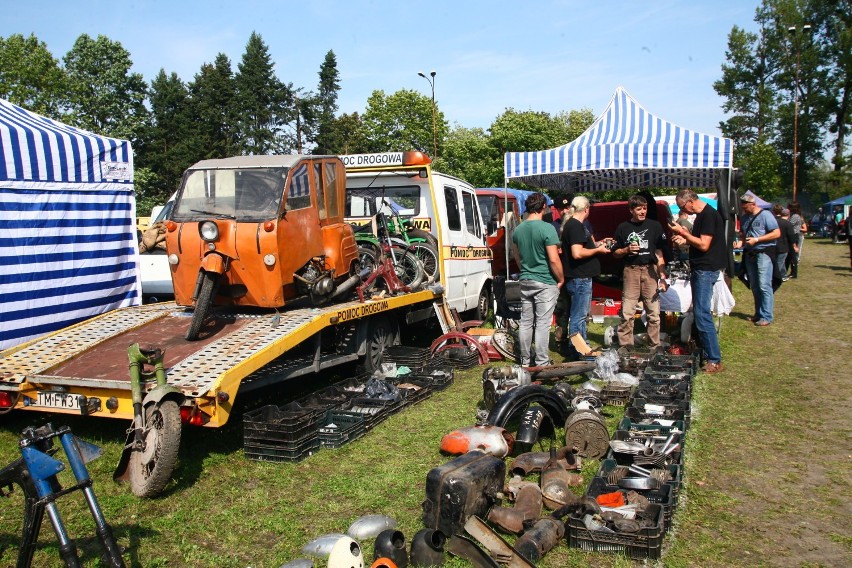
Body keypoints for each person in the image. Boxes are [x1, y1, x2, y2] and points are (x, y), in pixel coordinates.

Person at [670, 189, 727, 374]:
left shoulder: (708, 215)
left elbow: (704, 244)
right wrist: (686, 236)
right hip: (702, 268)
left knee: (702, 315)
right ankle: (709, 354)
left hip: (705, 269)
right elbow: (699, 243)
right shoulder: (704, 215)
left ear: (690, 202)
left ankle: (714, 360)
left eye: (682, 207)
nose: (683, 211)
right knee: (701, 314)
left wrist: (683, 233)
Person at [512, 192, 564, 367]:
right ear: (543, 207)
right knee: (542, 323)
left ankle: (525, 361)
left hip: (526, 279)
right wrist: (561, 278)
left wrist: (525, 271)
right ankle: (542, 362)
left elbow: (517, 257)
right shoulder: (547, 228)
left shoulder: (518, 229)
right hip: (544, 281)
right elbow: (554, 259)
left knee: (526, 322)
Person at [560, 196, 613, 360]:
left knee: (579, 316)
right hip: (579, 278)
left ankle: (582, 347)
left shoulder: (573, 225)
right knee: (578, 316)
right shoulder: (575, 226)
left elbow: (582, 247)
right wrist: (598, 251)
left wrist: (598, 244)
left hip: (578, 278)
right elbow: (577, 253)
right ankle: (578, 350)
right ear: (587, 209)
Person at [612, 194, 667, 350]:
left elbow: (659, 253)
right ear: (631, 210)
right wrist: (627, 249)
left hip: (650, 270)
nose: (643, 212)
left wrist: (662, 275)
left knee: (653, 313)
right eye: (639, 209)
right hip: (631, 270)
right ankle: (626, 346)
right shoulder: (623, 227)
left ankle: (654, 346)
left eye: (645, 208)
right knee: (627, 312)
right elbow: (615, 253)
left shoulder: (655, 226)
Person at [736, 193, 781, 326]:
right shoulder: (744, 218)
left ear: (753, 204)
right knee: (754, 285)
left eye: (746, 207)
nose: (744, 209)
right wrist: (741, 242)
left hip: (764, 252)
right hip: (750, 253)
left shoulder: (766, 215)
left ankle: (767, 316)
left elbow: (776, 233)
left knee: (764, 285)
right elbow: (744, 234)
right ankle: (758, 313)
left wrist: (757, 239)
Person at [773, 205, 798, 283]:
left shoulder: (774, 221)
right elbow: (791, 236)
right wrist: (794, 246)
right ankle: (776, 276)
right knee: (780, 262)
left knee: (781, 261)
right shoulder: (787, 224)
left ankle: (783, 275)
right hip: (783, 246)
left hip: (774, 245)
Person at [787, 202, 805, 278]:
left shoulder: (795, 216)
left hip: (794, 235)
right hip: (794, 235)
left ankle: (794, 273)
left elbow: (788, 224)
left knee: (793, 254)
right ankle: (792, 272)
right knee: (791, 255)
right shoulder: (794, 216)